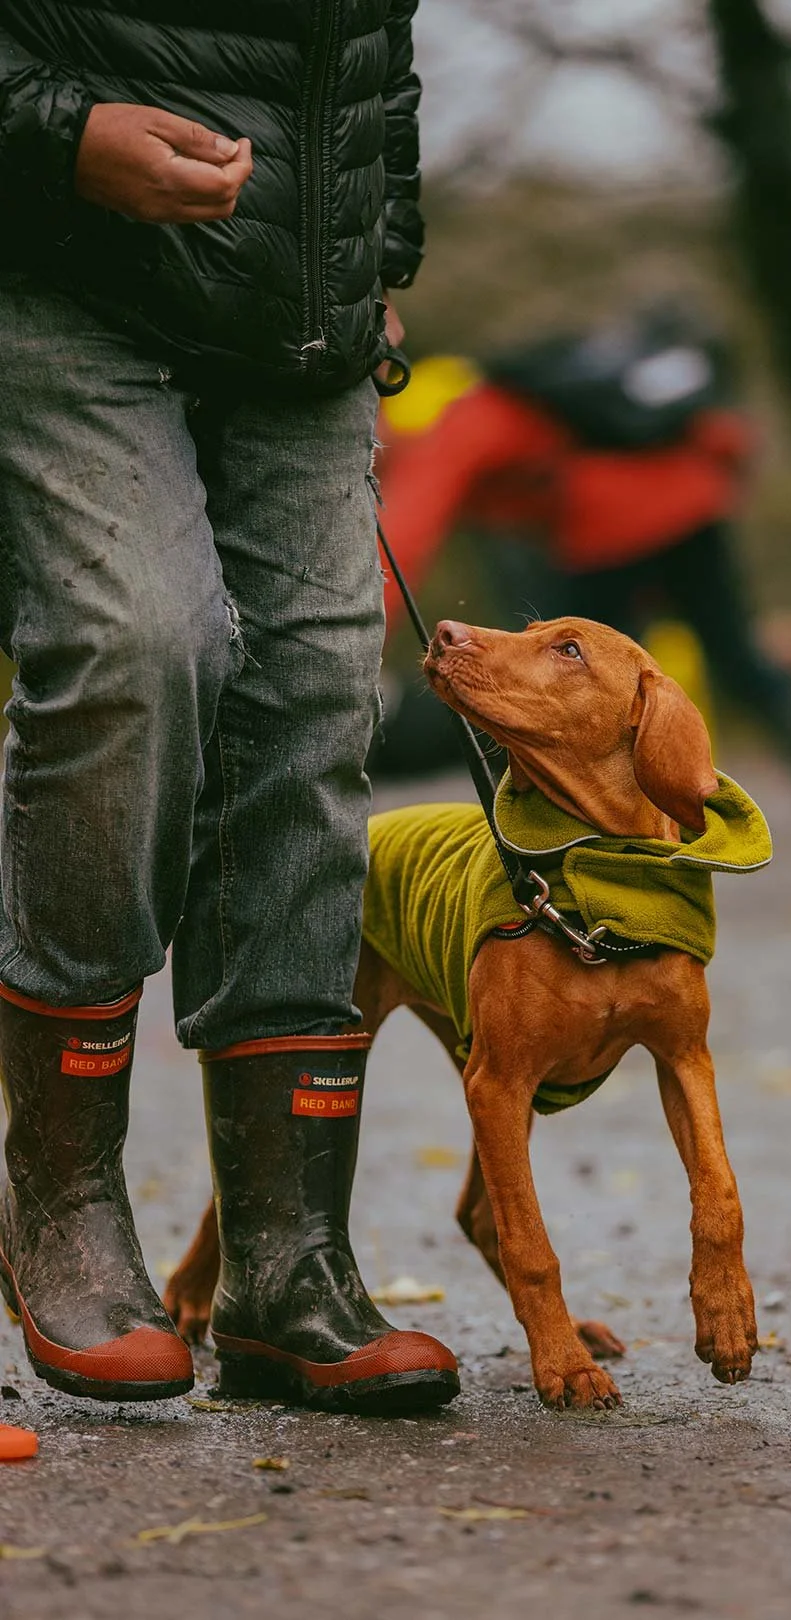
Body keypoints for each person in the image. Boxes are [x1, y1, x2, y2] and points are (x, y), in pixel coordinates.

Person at [0, 3, 459, 1413]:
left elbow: (375, 47)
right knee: (144, 642)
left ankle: (283, 1267)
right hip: (59, 268)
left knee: (313, 699)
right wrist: (61, 138)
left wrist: (373, 249)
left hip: (298, 315)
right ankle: (58, 1202)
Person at [375, 317, 791, 870]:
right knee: (738, 663)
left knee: (563, 685)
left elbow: (405, 537)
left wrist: (367, 634)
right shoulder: (506, 396)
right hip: (691, 504)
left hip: (610, 528)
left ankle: (540, 840)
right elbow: (720, 437)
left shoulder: (446, 427)